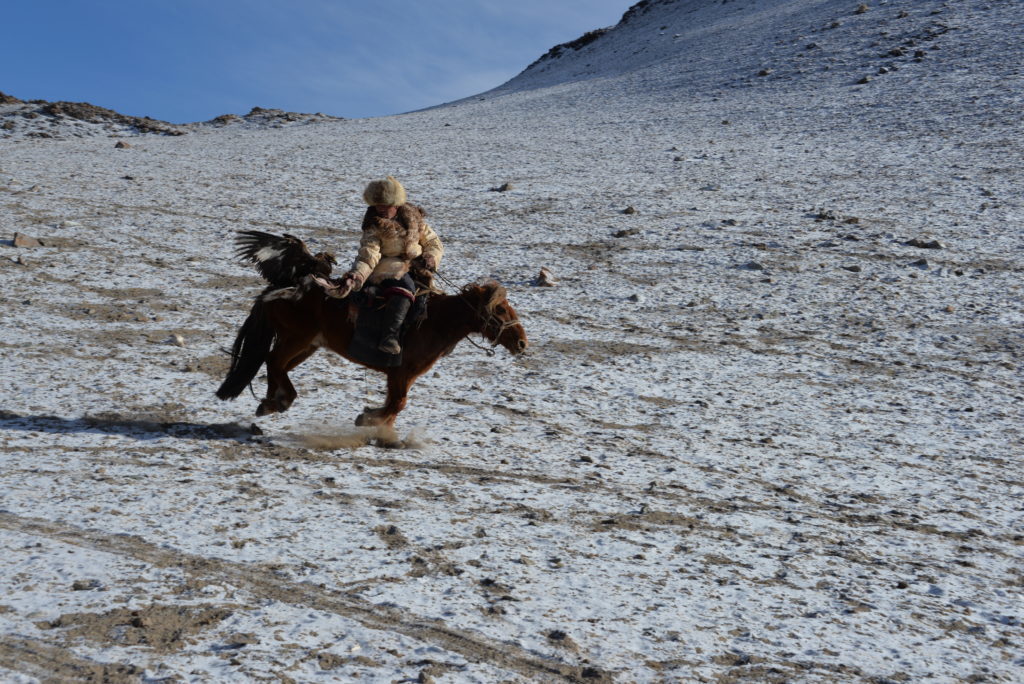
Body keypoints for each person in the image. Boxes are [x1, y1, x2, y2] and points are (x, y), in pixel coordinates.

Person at [336, 176, 444, 354]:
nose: (381, 210)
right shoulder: (373, 226)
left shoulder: (414, 219)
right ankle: (389, 337)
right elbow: (369, 254)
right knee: (405, 289)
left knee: (431, 296)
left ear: (396, 204)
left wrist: (431, 257)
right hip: (388, 266)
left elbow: (432, 242)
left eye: (385, 205)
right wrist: (358, 274)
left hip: (417, 264)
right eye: (378, 205)